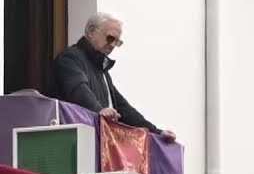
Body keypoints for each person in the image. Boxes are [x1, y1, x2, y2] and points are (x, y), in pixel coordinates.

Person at [53, 12, 176, 142]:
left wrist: (156, 132)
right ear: (91, 31)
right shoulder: (70, 58)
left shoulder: (101, 70)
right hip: (74, 142)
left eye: (117, 42)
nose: (112, 45)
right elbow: (78, 89)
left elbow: (122, 108)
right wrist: (98, 110)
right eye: (110, 38)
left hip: (97, 142)